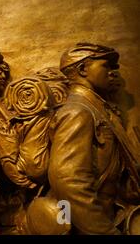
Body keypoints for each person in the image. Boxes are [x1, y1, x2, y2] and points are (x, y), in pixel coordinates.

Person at [47, 42, 140, 234]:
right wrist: (104, 231)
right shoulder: (78, 111)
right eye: (106, 65)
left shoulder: (98, 109)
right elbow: (68, 181)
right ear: (82, 69)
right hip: (88, 224)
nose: (114, 72)